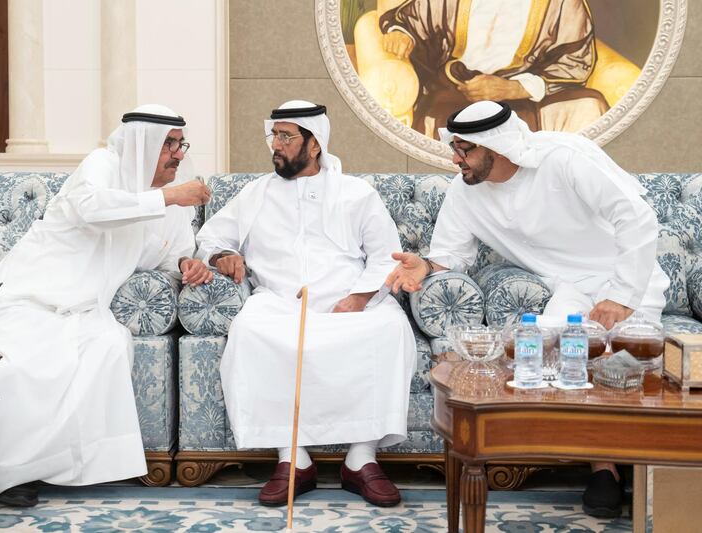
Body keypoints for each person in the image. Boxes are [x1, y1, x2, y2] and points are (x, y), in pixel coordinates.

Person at [0, 104, 213, 506]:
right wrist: (168, 196)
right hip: (28, 298)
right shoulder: (102, 165)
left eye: (180, 144)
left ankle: (26, 471)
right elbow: (93, 209)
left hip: (84, 310)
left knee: (107, 348)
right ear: (142, 144)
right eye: (169, 144)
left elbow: (171, 253)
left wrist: (190, 265)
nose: (179, 154)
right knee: (11, 369)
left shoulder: (170, 201)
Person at [386, 100, 669, 518]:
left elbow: (637, 218)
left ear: (494, 148)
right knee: (556, 362)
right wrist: (425, 266)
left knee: (627, 367)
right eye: (455, 147)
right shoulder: (465, 192)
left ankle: (647, 468)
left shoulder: (564, 158)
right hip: (568, 291)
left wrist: (623, 295)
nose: (455, 158)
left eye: (464, 149)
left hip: (628, 280)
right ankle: (602, 467)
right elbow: (452, 256)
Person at [195, 100, 417, 507]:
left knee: (389, 328)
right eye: (273, 135)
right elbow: (210, 236)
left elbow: (387, 254)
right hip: (280, 302)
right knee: (251, 330)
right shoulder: (256, 192)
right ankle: (292, 458)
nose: (275, 145)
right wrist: (221, 256)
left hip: (350, 301)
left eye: (285, 137)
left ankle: (361, 458)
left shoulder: (356, 193)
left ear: (314, 144)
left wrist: (361, 297)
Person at [378, 0, 609, 135]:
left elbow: (575, 59)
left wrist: (514, 89)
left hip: (530, 91)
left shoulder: (562, 4)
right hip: (461, 87)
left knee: (589, 106)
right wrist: (401, 35)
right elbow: (411, 19)